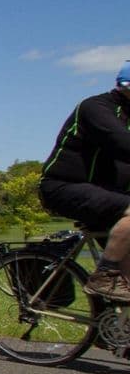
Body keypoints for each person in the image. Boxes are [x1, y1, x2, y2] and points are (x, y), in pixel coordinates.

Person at [40, 60, 130, 302]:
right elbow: (123, 144)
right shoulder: (96, 108)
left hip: (106, 194)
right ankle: (104, 275)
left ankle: (112, 331)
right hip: (63, 187)